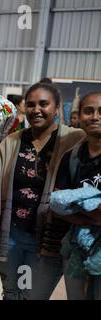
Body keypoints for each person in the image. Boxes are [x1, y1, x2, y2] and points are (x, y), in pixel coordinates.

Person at [0, 80, 85, 300]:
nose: (36, 110)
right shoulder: (12, 142)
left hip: (49, 239)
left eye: (43, 104)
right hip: (11, 235)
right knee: (11, 292)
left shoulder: (74, 139)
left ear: (56, 107)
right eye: (31, 104)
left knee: (33, 295)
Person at [53, 91, 101, 299]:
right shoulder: (72, 156)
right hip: (76, 246)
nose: (95, 117)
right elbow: (57, 203)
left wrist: (75, 205)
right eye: (88, 111)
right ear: (79, 116)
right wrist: (91, 216)